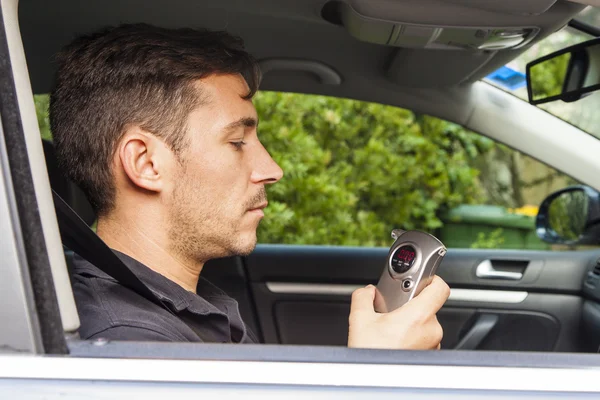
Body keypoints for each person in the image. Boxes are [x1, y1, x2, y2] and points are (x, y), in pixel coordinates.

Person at [49, 23, 450, 348]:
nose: (272, 169)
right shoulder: (129, 347)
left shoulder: (185, 307)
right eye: (237, 142)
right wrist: (375, 379)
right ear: (146, 163)